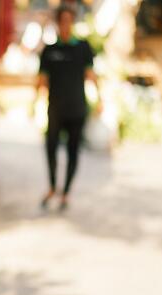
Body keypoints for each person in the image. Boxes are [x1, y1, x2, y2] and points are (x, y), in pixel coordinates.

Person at [36, 4, 100, 211]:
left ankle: (65, 193)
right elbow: (41, 80)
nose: (66, 24)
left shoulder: (83, 47)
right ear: (58, 22)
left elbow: (91, 76)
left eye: (69, 20)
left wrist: (100, 100)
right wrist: (34, 102)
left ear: (72, 22)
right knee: (51, 148)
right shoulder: (49, 50)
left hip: (77, 108)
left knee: (73, 151)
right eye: (62, 20)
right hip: (55, 108)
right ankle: (52, 186)